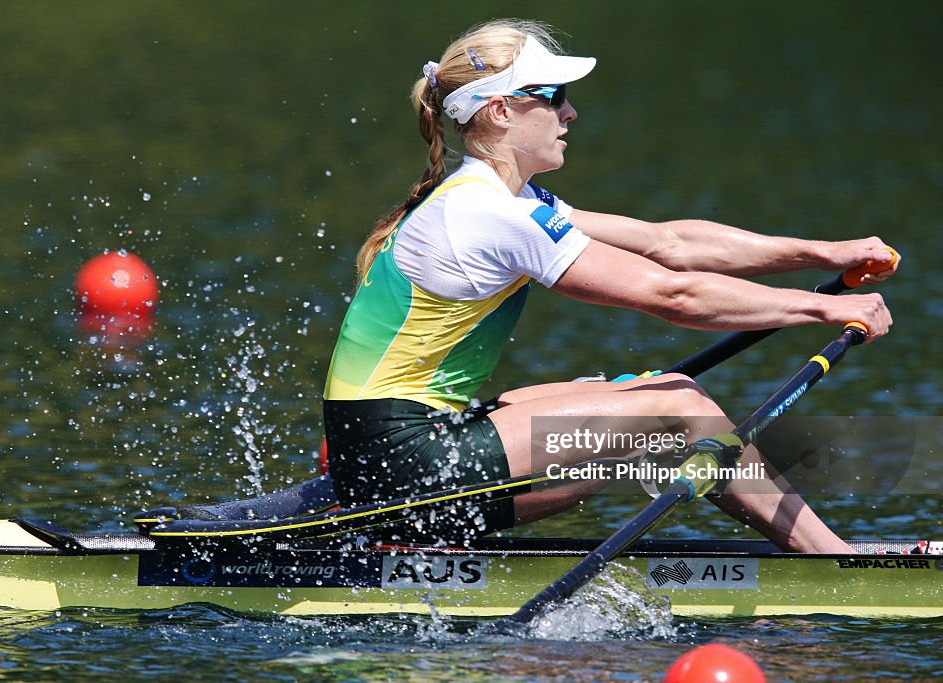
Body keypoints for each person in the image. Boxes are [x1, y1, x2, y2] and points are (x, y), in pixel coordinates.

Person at [322, 19, 897, 548]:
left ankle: (803, 548)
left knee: (635, 389)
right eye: (555, 99)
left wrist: (825, 253)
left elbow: (667, 243)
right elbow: (672, 293)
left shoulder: (501, 198)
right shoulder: (491, 213)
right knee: (677, 402)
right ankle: (835, 560)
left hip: (387, 452)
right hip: (401, 464)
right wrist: (819, 310)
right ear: (499, 111)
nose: (571, 115)